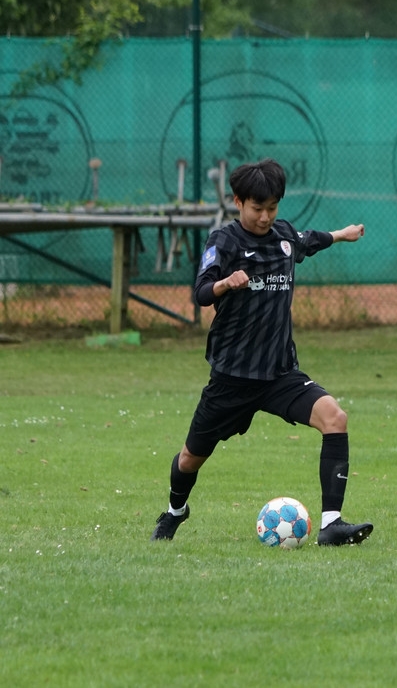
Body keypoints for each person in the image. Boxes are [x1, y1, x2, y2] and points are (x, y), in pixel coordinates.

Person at [150, 158, 374, 547]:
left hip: (279, 374)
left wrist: (342, 234)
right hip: (232, 379)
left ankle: (332, 525)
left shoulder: (284, 236)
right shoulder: (224, 241)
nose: (266, 217)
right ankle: (175, 511)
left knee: (335, 418)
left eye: (272, 207)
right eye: (257, 208)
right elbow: (200, 292)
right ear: (238, 202)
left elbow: (310, 239)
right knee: (189, 459)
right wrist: (225, 284)